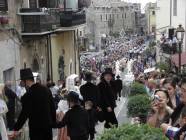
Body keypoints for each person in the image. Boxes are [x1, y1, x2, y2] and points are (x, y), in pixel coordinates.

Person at [13, 68, 56, 140]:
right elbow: (52, 107)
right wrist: (53, 122)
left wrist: (16, 128)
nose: (22, 83)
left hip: (36, 129)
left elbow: (24, 114)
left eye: (22, 81)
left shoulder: (28, 95)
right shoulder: (46, 90)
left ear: (26, 81)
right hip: (47, 127)